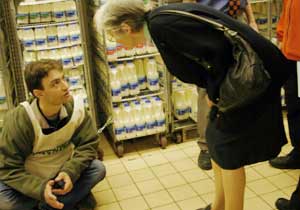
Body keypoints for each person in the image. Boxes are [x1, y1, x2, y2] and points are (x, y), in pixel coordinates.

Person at [95, 1, 295, 210]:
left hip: (255, 72)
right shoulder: (158, 23)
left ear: (126, 27)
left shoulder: (162, 25)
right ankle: (218, 205)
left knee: (228, 151)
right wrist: (213, 89)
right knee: (214, 139)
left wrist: (214, 91)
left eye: (112, 35)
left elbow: (218, 50)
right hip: (241, 71)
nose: (114, 41)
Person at [0, 60, 106, 210]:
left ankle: (47, 205)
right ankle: (67, 200)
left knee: (98, 169)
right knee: (5, 202)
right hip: (32, 178)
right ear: (38, 93)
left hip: (61, 174)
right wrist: (40, 189)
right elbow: (8, 168)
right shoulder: (21, 120)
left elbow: (89, 144)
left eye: (63, 79)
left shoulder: (76, 109)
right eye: (55, 83)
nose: (65, 86)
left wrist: (70, 171)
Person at [183, 0, 258, 170]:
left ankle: (236, 137)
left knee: (240, 81)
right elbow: (188, 4)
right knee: (207, 89)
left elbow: (243, 1)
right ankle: (206, 147)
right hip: (209, 27)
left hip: (235, 25)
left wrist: (251, 21)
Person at [271, 0, 300, 209]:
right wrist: (281, 36)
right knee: (294, 107)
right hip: (291, 54)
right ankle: (298, 152)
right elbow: (288, 10)